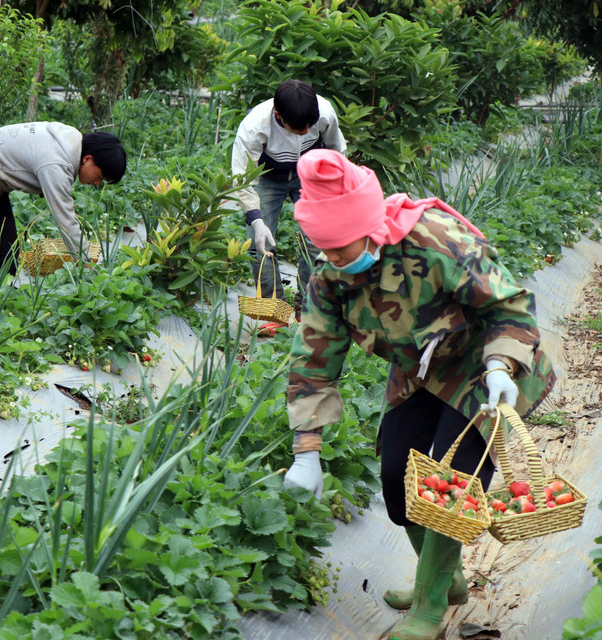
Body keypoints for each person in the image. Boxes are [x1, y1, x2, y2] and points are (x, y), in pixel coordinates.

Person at [281, 150, 556, 640]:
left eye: (343, 247)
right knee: (396, 477)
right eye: (326, 249)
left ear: (370, 228)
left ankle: (428, 609)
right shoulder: (330, 277)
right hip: (420, 371)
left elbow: (509, 305)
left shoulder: (437, 242)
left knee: (454, 483)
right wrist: (307, 451)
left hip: (481, 362)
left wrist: (501, 365)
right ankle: (446, 579)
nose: (336, 259)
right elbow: (313, 360)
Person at [0, 122, 126, 302]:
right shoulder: (57, 162)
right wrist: (85, 260)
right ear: (87, 159)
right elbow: (65, 221)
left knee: (7, 250)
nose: (97, 183)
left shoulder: (71, 139)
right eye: (100, 176)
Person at [231, 79, 346, 332]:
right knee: (257, 245)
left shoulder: (324, 113)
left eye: (310, 126)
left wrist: (334, 193)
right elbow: (243, 180)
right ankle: (275, 312)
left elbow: (337, 152)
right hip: (268, 178)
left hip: (310, 176)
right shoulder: (254, 127)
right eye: (298, 128)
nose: (306, 132)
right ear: (278, 115)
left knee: (316, 242)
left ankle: (308, 309)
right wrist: (257, 221)